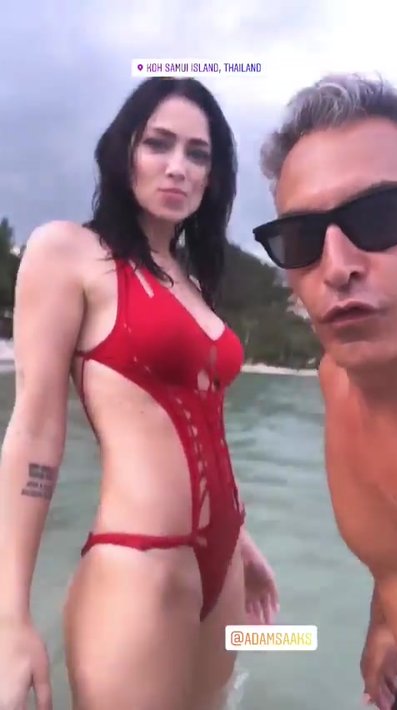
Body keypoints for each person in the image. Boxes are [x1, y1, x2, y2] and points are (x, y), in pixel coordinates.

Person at [0, 77, 278, 710]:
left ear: (213, 176)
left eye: (198, 153)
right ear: (124, 150)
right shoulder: (68, 251)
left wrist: (243, 546)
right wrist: (10, 617)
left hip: (224, 569)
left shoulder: (193, 283)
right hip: (139, 567)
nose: (178, 166)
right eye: (159, 144)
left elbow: (205, 430)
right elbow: (36, 432)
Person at [253, 73, 397, 710]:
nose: (337, 266)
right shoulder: (336, 381)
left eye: (383, 216)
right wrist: (383, 622)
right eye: (303, 238)